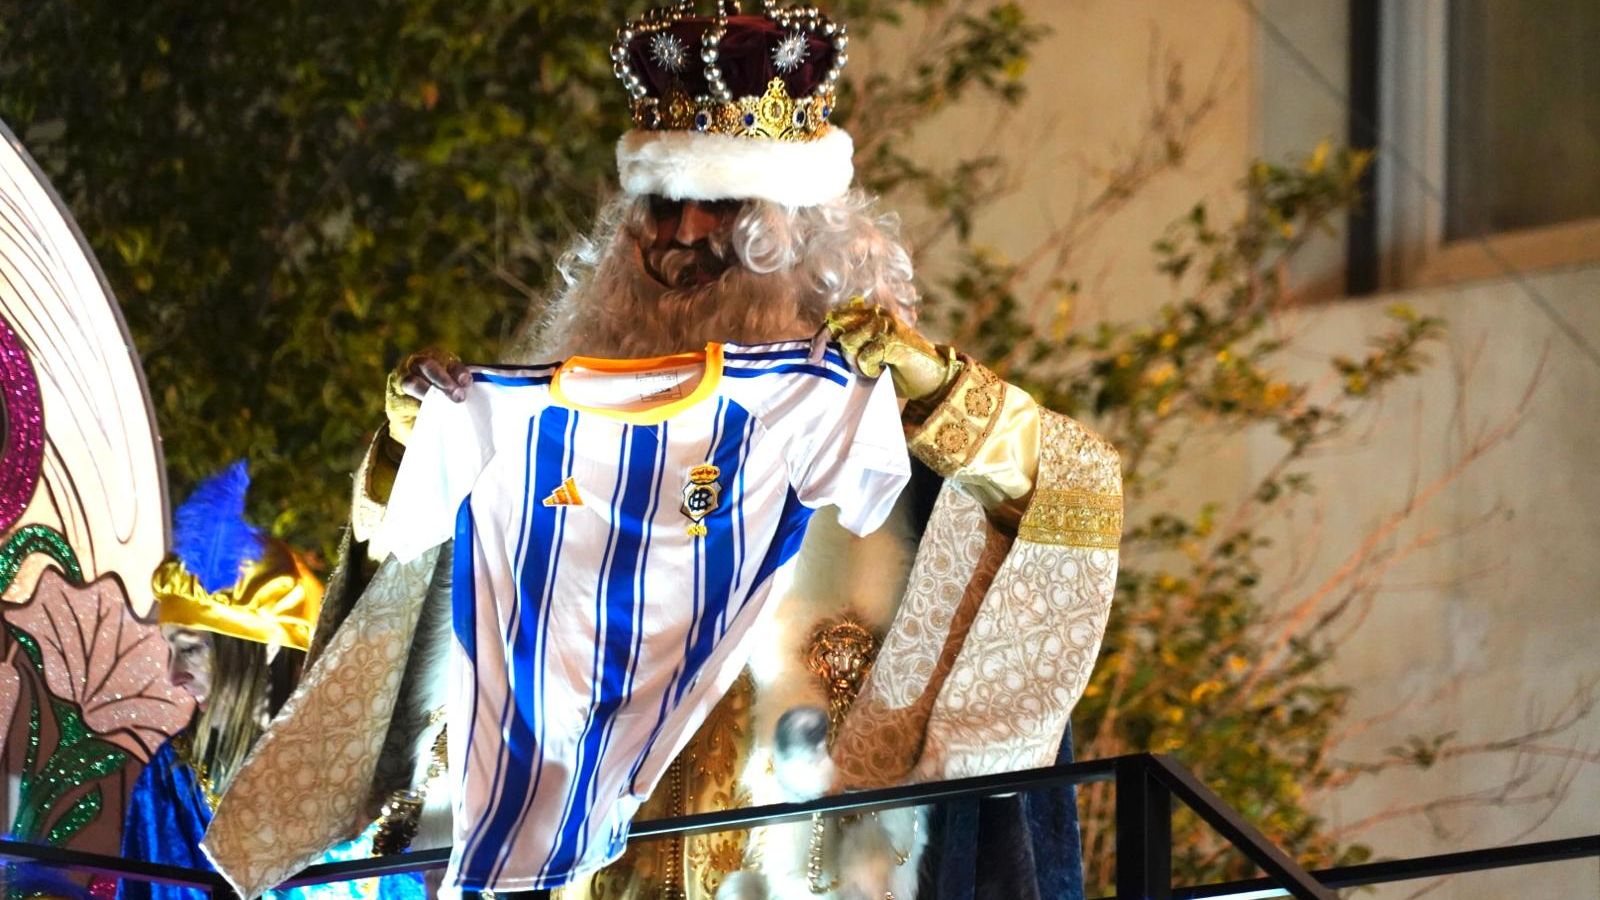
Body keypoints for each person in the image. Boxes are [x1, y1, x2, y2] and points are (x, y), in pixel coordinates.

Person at [204, 5, 1121, 899]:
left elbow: (1067, 501)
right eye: (661, 205)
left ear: (795, 231)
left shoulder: (883, 420)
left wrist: (942, 397)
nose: (682, 236)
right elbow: (394, 584)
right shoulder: (542, 430)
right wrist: (410, 444)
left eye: (718, 207)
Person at [121, 463, 423, 900]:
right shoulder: (172, 782)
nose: (174, 676)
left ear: (262, 649)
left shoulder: (365, 760)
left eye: (190, 648)